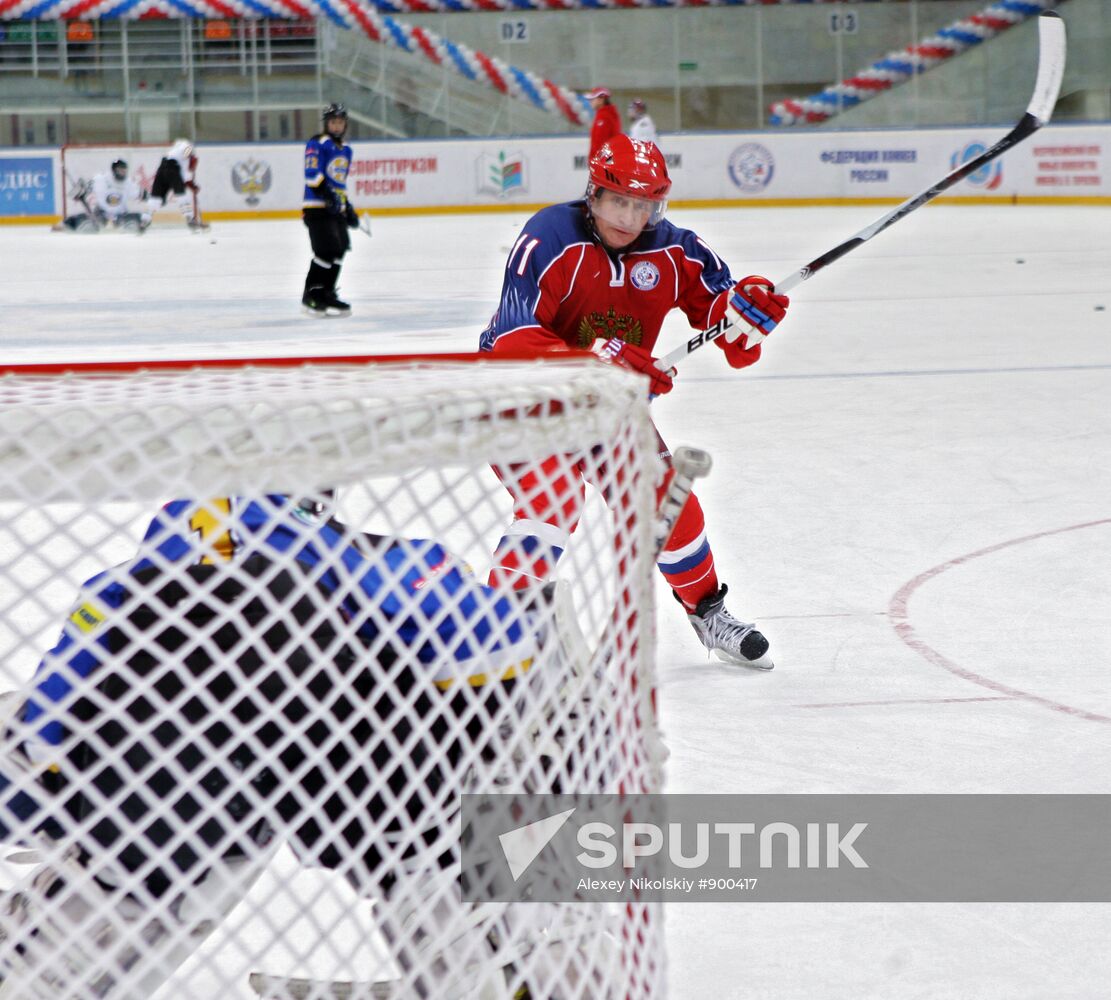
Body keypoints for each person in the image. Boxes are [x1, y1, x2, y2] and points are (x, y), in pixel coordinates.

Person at [0, 493, 563, 997]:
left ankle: (546, 953)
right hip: (401, 762)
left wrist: (40, 748)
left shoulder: (154, 589)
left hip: (189, 783)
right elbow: (500, 636)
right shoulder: (369, 575)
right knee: (444, 841)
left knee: (178, 861)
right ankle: (543, 959)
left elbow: (82, 645)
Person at [479, 135, 790, 670]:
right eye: (618, 200)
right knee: (553, 496)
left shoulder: (677, 250)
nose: (629, 216)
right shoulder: (548, 236)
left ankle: (707, 611)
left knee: (665, 497)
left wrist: (750, 313)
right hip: (520, 394)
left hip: (606, 408)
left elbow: (734, 338)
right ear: (593, 195)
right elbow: (512, 340)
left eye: (643, 204)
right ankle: (499, 629)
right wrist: (601, 357)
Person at [302, 102, 360, 317]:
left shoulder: (346, 149)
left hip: (335, 209)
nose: (337, 126)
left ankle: (327, 292)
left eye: (340, 122)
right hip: (316, 207)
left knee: (340, 248)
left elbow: (339, 183)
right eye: (333, 122)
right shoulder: (317, 143)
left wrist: (347, 208)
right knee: (325, 251)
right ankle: (311, 295)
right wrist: (327, 195)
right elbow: (312, 174)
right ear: (327, 124)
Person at [56, 159, 151, 234]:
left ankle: (126, 227)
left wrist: (153, 198)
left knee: (145, 218)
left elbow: (145, 195)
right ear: (114, 170)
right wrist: (79, 192)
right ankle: (66, 225)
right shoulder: (100, 179)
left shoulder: (129, 183)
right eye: (120, 170)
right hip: (100, 215)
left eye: (124, 171)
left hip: (121, 216)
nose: (123, 173)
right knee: (80, 222)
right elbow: (77, 192)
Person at [148, 138, 205, 230]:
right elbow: (187, 150)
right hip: (172, 169)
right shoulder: (185, 147)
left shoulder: (176, 155)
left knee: (156, 198)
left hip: (162, 169)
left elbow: (185, 179)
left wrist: (192, 185)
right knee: (181, 195)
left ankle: (145, 220)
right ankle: (190, 220)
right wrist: (193, 186)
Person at [584, 87, 620, 158]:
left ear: (601, 99)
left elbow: (600, 143)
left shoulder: (604, 117)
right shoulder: (607, 114)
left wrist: (595, 161)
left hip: (603, 163)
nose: (590, 102)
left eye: (592, 99)